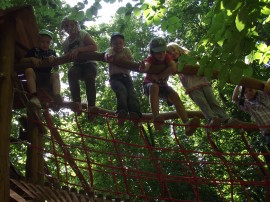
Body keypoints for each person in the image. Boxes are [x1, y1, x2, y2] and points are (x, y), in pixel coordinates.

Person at [167, 42, 238, 131]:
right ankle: (212, 119)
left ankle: (225, 119)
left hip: (203, 82)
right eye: (169, 53)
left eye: (173, 50)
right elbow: (171, 72)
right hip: (192, 87)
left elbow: (200, 64)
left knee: (213, 101)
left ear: (178, 49)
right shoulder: (173, 64)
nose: (173, 53)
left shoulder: (189, 57)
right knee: (203, 104)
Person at [139, 37, 199, 135]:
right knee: (154, 87)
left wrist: (159, 76)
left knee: (175, 96)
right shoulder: (151, 58)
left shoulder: (167, 57)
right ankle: (156, 118)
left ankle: (187, 124)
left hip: (162, 85)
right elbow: (146, 66)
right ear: (152, 52)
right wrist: (143, 67)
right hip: (149, 85)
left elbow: (173, 67)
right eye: (158, 52)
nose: (161, 54)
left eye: (163, 51)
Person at [61, 16, 98, 121]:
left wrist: (79, 50)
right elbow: (66, 56)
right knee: (71, 73)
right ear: (63, 28)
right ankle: (77, 102)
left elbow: (94, 47)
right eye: (66, 26)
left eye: (72, 25)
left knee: (89, 76)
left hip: (90, 64)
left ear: (76, 25)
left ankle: (91, 106)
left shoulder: (82, 34)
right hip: (78, 66)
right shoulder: (65, 43)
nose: (70, 27)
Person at [104, 32, 142, 126]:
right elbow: (106, 55)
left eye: (120, 43)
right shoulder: (110, 50)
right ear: (111, 44)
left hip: (127, 77)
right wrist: (108, 57)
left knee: (131, 94)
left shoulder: (126, 50)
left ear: (123, 43)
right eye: (115, 43)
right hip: (115, 78)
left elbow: (131, 61)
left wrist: (123, 59)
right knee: (121, 91)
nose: (118, 45)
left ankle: (135, 113)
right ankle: (121, 112)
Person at [21, 29, 62, 111]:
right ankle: (34, 97)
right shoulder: (34, 51)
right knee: (29, 70)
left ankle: (56, 97)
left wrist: (54, 60)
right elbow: (21, 60)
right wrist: (31, 59)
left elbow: (56, 68)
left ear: (50, 43)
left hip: (47, 78)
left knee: (56, 74)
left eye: (47, 42)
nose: (45, 44)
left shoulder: (52, 52)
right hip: (36, 77)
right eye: (42, 42)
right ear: (38, 42)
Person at [232, 83, 270, 149]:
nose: (249, 93)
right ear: (243, 95)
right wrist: (238, 84)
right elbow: (235, 98)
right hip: (268, 133)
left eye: (250, 90)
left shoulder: (262, 97)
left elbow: (265, 89)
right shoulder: (247, 105)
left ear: (255, 89)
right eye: (245, 92)